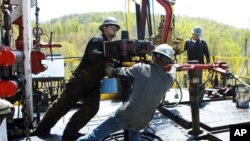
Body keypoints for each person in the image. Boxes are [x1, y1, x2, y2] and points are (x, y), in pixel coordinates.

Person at [32, 17, 120, 141]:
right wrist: (111, 55)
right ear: (104, 28)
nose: (115, 28)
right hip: (81, 79)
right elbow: (93, 56)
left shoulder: (111, 46)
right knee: (62, 105)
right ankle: (41, 130)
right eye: (112, 26)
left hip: (94, 82)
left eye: (116, 27)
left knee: (92, 108)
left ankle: (70, 132)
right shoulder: (98, 40)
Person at [77, 44, 180, 141]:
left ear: (153, 56)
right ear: (168, 63)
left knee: (92, 136)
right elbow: (173, 72)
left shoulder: (140, 68)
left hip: (125, 116)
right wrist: (175, 67)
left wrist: (110, 70)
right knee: (134, 130)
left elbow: (122, 72)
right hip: (142, 122)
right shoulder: (168, 80)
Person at [182, 26, 210, 105]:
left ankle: (198, 100)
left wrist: (208, 62)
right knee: (191, 82)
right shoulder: (187, 42)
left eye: (198, 35)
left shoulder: (202, 43)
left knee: (198, 82)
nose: (197, 36)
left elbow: (207, 53)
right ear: (192, 34)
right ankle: (192, 99)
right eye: (195, 35)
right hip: (190, 66)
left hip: (199, 66)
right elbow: (181, 50)